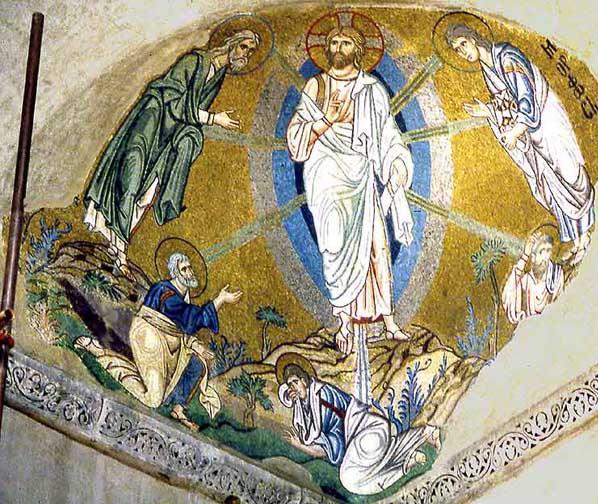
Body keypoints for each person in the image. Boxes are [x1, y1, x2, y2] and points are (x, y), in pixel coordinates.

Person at [83, 31, 260, 274]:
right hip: (151, 122)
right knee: (130, 178)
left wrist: (190, 137)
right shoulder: (194, 61)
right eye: (244, 47)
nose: (246, 54)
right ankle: (116, 246)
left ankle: (117, 245)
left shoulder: (218, 77)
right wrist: (213, 119)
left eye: (251, 51)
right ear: (231, 43)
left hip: (169, 138)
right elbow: (172, 97)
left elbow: (190, 116)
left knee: (148, 194)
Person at [286, 25, 414, 353]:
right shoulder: (316, 86)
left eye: (345, 43)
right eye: (333, 42)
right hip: (326, 177)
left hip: (361, 175)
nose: (338, 48)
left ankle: (387, 320)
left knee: (375, 245)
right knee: (334, 244)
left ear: (357, 50)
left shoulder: (371, 89)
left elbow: (387, 134)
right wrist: (325, 121)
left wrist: (397, 163)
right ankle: (343, 319)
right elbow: (296, 140)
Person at [446, 24, 595, 265]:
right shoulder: (487, 69)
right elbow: (506, 103)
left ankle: (585, 233)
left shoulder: (505, 57)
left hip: (545, 122)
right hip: (530, 134)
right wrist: (488, 111)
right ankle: (577, 241)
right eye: (457, 50)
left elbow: (527, 100)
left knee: (568, 174)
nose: (462, 52)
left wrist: (516, 131)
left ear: (474, 38)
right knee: (548, 184)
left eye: (463, 44)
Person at [75, 252, 243, 430]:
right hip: (149, 338)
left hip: (171, 345)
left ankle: (178, 409)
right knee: (153, 400)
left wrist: (195, 346)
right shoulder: (165, 292)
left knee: (197, 365)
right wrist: (220, 300)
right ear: (175, 272)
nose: (189, 272)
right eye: (184, 269)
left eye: (189, 268)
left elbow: (178, 329)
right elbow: (189, 320)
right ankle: (98, 351)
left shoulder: (183, 296)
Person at [276, 353, 440, 496]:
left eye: (295, 382)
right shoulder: (309, 406)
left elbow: (328, 447)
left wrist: (300, 445)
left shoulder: (322, 396)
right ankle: (425, 434)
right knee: (369, 469)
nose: (293, 388)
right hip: (366, 435)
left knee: (349, 479)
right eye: (290, 385)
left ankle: (406, 462)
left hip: (369, 431)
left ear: (304, 380)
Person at [501, 231, 564, 323]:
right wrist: (525, 256)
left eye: (548, 251)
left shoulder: (556, 276)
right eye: (541, 252)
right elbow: (509, 294)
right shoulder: (527, 280)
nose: (545, 258)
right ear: (533, 257)